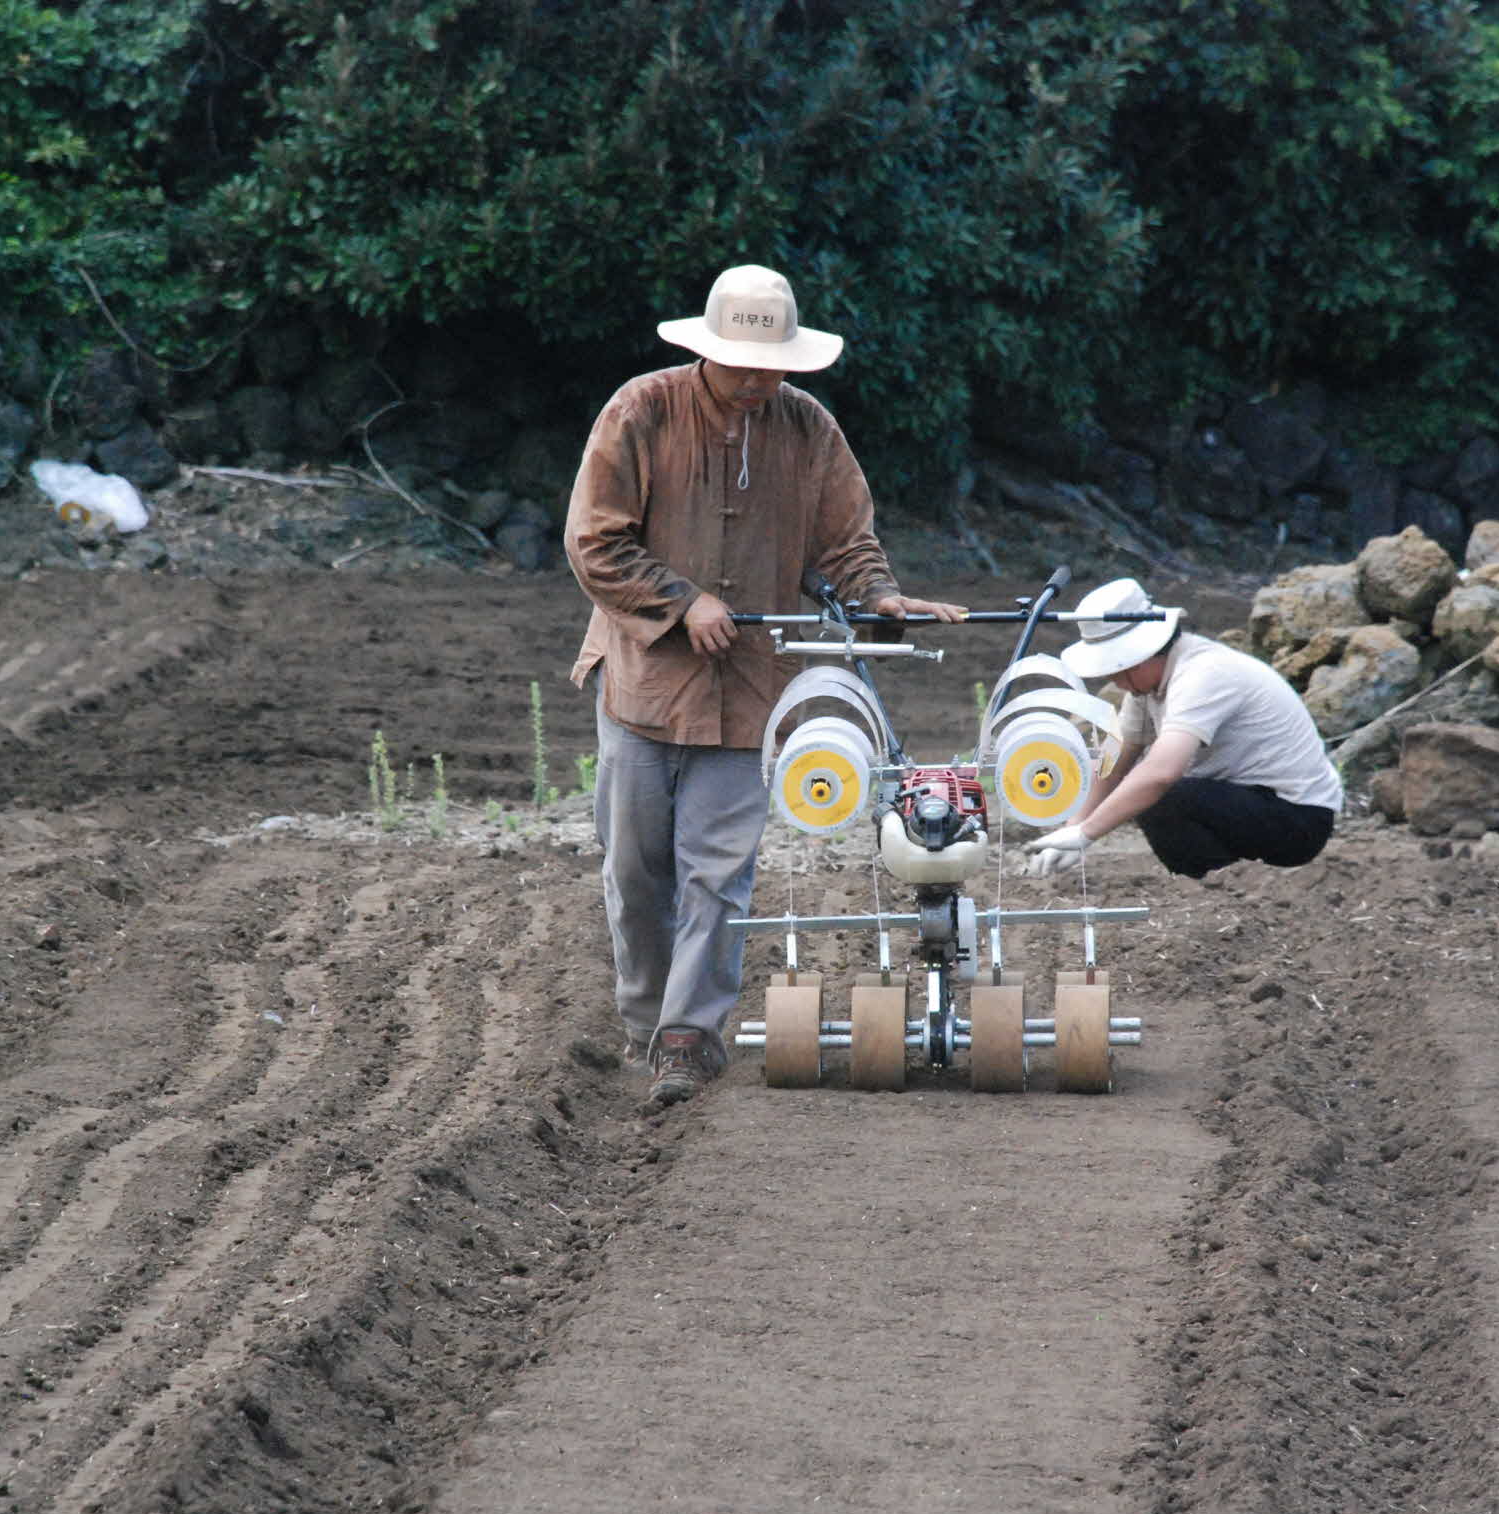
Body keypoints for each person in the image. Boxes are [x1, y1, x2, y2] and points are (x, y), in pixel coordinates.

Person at [566, 265, 966, 1107]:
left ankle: (687, 1036)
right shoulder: (641, 411)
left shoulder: (807, 428)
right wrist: (681, 603)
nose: (756, 382)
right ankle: (645, 1018)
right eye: (741, 365)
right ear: (707, 351)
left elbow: (845, 544)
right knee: (636, 870)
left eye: (771, 366)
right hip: (643, 680)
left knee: (717, 869)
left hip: (752, 686)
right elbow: (594, 543)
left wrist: (879, 597)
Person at [1024, 577, 1341, 880]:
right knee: (1160, 797)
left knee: (1162, 799)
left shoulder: (1203, 674)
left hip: (1298, 816)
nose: (1114, 681)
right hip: (1249, 803)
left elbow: (1162, 771)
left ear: (1143, 656)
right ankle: (1218, 884)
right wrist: (1071, 825)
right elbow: (1113, 756)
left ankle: (1220, 887)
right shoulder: (1147, 687)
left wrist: (1087, 833)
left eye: (1117, 669)